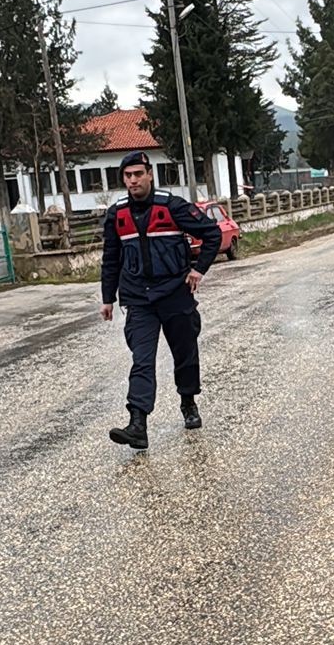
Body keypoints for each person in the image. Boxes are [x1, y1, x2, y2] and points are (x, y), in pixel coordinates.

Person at [100, 151, 223, 450]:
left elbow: (212, 233)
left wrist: (198, 270)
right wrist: (107, 298)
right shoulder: (117, 215)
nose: (133, 180)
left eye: (138, 174)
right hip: (139, 300)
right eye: (128, 176)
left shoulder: (171, 206)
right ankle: (138, 424)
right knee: (141, 360)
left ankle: (188, 402)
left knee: (185, 353)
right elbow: (111, 259)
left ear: (150, 174)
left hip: (174, 294)